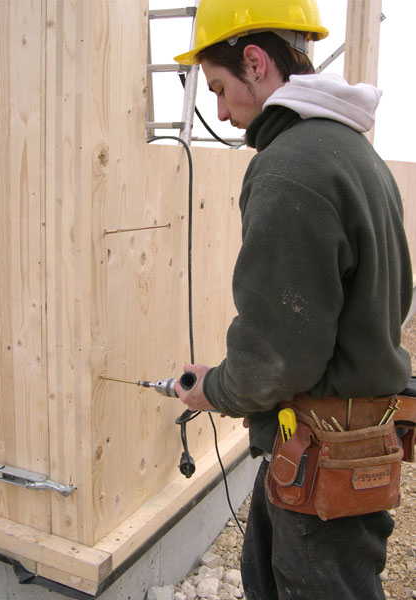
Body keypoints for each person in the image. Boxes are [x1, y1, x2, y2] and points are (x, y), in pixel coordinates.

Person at [173, 1, 413, 599]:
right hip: (345, 451)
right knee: (265, 566)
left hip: (323, 465)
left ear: (254, 62)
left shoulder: (288, 171)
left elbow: (275, 361)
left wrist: (215, 388)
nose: (222, 113)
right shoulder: (355, 154)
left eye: (221, 89)